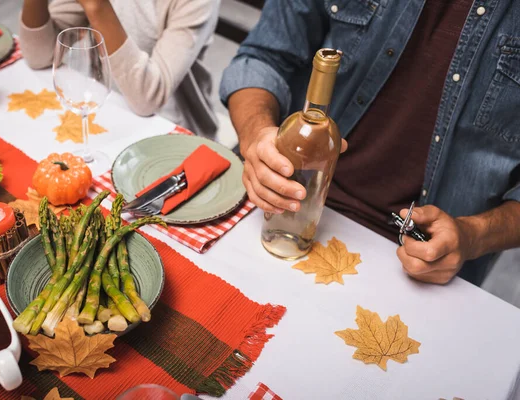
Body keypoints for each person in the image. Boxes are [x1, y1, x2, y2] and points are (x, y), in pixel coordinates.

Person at [220, 0, 520, 286]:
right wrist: (255, 134)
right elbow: (263, 56)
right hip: (281, 209)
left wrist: (474, 235)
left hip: (418, 259)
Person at [20, 0, 220, 140]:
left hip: (175, 132)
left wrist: (96, 5)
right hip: (106, 115)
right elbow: (39, 56)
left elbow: (147, 99)